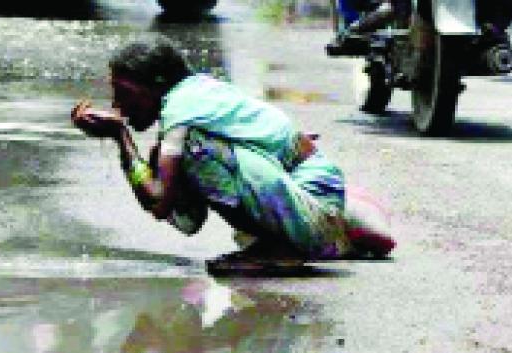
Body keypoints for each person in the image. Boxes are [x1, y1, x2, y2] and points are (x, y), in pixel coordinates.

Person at [72, 37, 395, 267]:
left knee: (194, 148)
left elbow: (158, 201)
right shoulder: (196, 93)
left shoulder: (183, 112)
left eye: (125, 93)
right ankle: (308, 237)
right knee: (170, 156)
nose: (117, 106)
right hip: (313, 199)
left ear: (157, 83)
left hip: (314, 208)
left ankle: (282, 247)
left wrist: (121, 137)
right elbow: (172, 208)